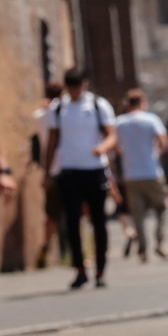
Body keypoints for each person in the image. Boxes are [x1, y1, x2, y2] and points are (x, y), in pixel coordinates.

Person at [42, 68, 118, 289]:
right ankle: (80, 269)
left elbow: (112, 134)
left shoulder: (98, 105)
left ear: (85, 84)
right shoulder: (58, 109)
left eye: (78, 87)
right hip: (70, 171)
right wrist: (47, 173)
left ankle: (101, 270)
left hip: (94, 170)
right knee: (73, 222)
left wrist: (102, 147)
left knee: (99, 221)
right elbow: (52, 142)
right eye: (70, 88)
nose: (75, 92)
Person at [115, 89, 168, 261]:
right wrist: (154, 154)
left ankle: (143, 250)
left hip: (131, 173)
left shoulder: (119, 122)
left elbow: (116, 148)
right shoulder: (151, 119)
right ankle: (159, 242)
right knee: (162, 208)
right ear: (142, 102)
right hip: (151, 171)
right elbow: (163, 143)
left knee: (137, 214)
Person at [33, 82, 65, 267]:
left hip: (50, 169)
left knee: (51, 214)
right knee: (76, 213)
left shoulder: (40, 114)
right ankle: (81, 253)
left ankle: (46, 246)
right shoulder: (65, 112)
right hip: (69, 167)